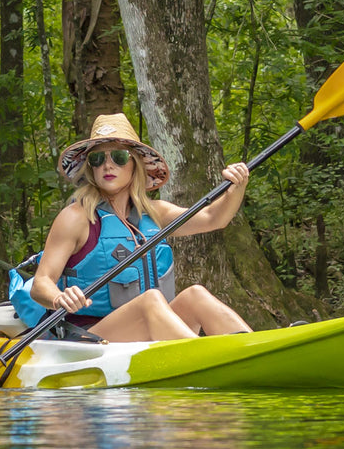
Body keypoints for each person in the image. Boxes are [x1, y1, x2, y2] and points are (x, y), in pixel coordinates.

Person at [28, 113, 252, 342]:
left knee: (196, 295)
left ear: (135, 164)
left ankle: (253, 349)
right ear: (91, 169)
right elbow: (41, 283)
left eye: (118, 156)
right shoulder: (77, 217)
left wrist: (237, 186)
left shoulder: (155, 212)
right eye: (97, 159)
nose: (107, 165)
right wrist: (59, 298)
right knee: (151, 301)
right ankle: (207, 361)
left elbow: (213, 218)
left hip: (144, 330)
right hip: (89, 338)